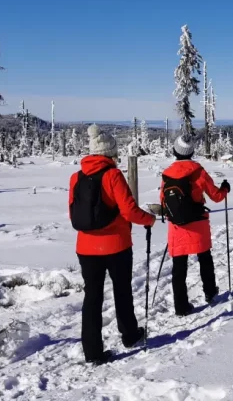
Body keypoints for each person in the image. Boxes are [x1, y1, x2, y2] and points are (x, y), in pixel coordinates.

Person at [68, 124, 156, 365]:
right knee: (122, 291)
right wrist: (148, 219)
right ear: (110, 153)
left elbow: (72, 213)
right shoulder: (113, 175)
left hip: (85, 247)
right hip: (116, 245)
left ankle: (92, 351)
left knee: (92, 297)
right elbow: (129, 211)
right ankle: (129, 334)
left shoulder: (76, 177)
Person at [160, 134, 230, 316]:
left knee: (179, 266)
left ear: (175, 151)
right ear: (191, 151)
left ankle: (181, 306)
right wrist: (225, 189)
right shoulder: (198, 171)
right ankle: (210, 292)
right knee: (205, 258)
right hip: (197, 222)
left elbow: (163, 202)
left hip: (177, 226)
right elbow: (216, 196)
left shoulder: (167, 174)